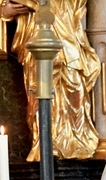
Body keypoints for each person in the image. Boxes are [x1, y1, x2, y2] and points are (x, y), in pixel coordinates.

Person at [0, 0, 100, 159]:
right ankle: (45, 142)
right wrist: (3, 10)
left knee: (75, 86)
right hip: (36, 32)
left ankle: (75, 140)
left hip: (66, 28)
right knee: (40, 88)